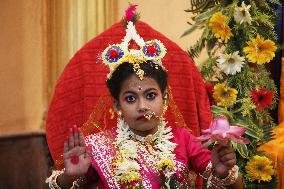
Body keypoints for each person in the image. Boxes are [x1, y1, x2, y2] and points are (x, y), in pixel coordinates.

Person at [46, 5, 244, 189]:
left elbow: (232, 185)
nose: (142, 106)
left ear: (164, 98)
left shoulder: (183, 140)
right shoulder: (98, 147)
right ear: (116, 105)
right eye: (130, 98)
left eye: (150, 95)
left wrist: (224, 173)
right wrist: (69, 177)